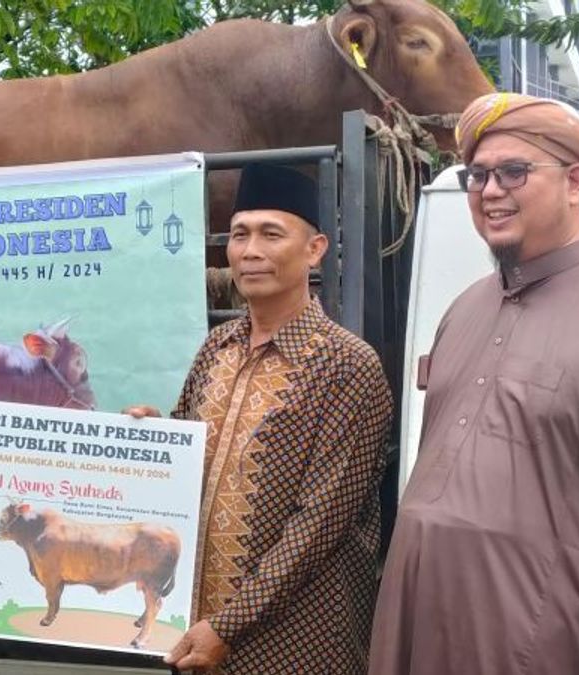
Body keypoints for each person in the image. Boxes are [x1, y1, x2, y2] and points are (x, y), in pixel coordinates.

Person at [369, 92, 579, 674]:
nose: (490, 191)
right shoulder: (463, 309)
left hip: (543, 644)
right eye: (477, 175)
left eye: (513, 172)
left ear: (575, 183)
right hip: (421, 627)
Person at [128, 164, 394, 674]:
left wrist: (227, 627)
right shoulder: (216, 347)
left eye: (272, 234)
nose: (250, 251)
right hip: (195, 633)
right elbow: (187, 455)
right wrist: (152, 436)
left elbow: (318, 525)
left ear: (314, 249)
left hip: (295, 641)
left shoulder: (347, 366)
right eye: (240, 235)